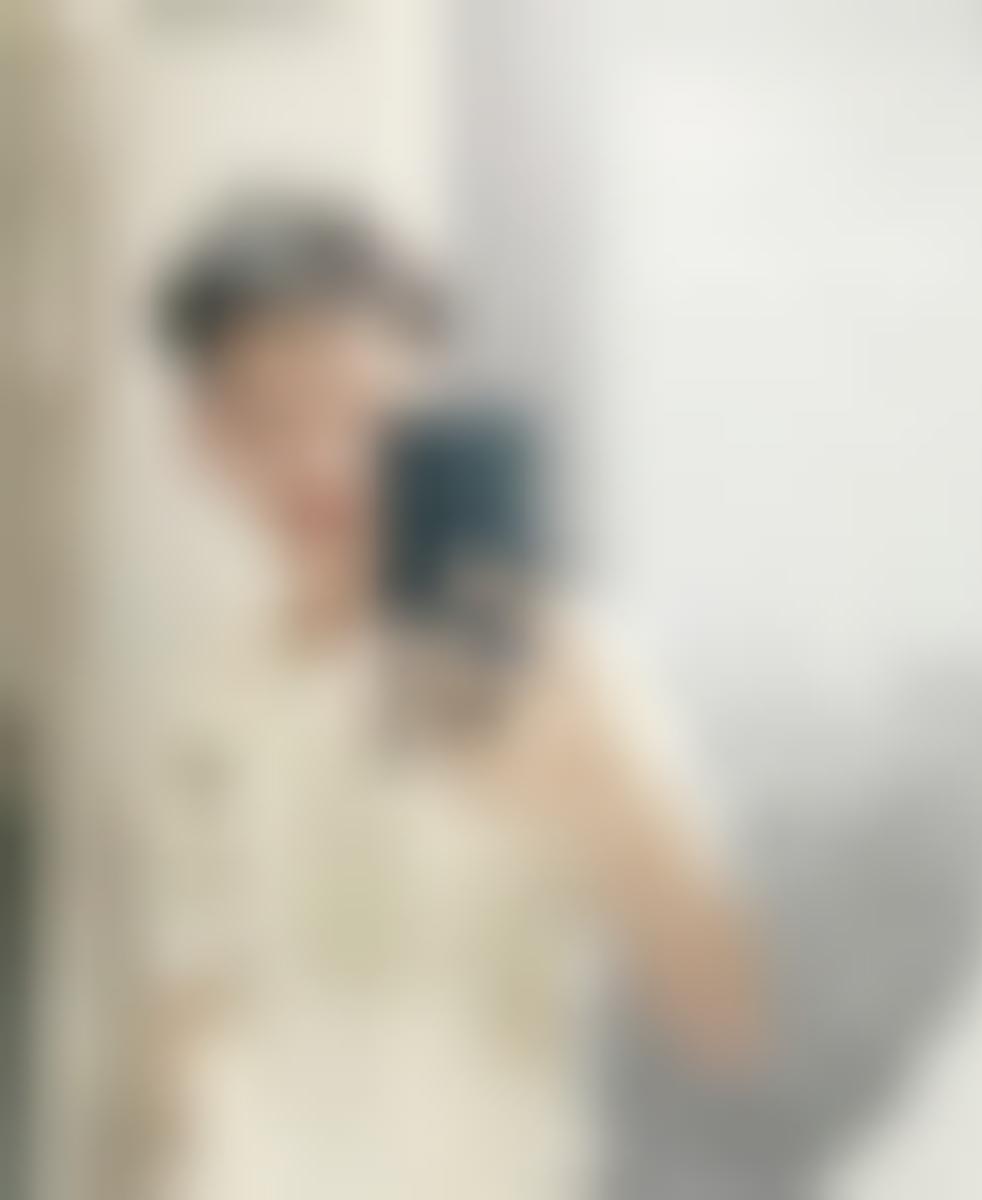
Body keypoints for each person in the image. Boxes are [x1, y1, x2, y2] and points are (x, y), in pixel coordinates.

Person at [126, 193, 757, 1200]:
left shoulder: (559, 664)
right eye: (266, 418)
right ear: (204, 439)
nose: (319, 459)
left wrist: (594, 784)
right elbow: (186, 1020)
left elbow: (724, 1016)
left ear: (427, 406)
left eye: (355, 408)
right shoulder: (207, 702)